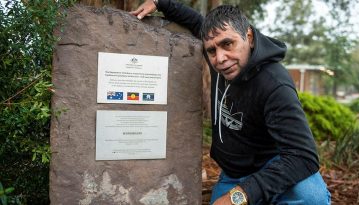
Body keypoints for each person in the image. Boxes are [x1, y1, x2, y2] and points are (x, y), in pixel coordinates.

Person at [131, 1, 331, 204]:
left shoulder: (275, 85)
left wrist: (238, 197)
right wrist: (159, 2)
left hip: (273, 166)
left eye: (228, 44)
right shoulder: (221, 54)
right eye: (211, 50)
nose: (220, 59)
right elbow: (196, 21)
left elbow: (303, 157)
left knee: (312, 198)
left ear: (249, 38)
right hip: (234, 174)